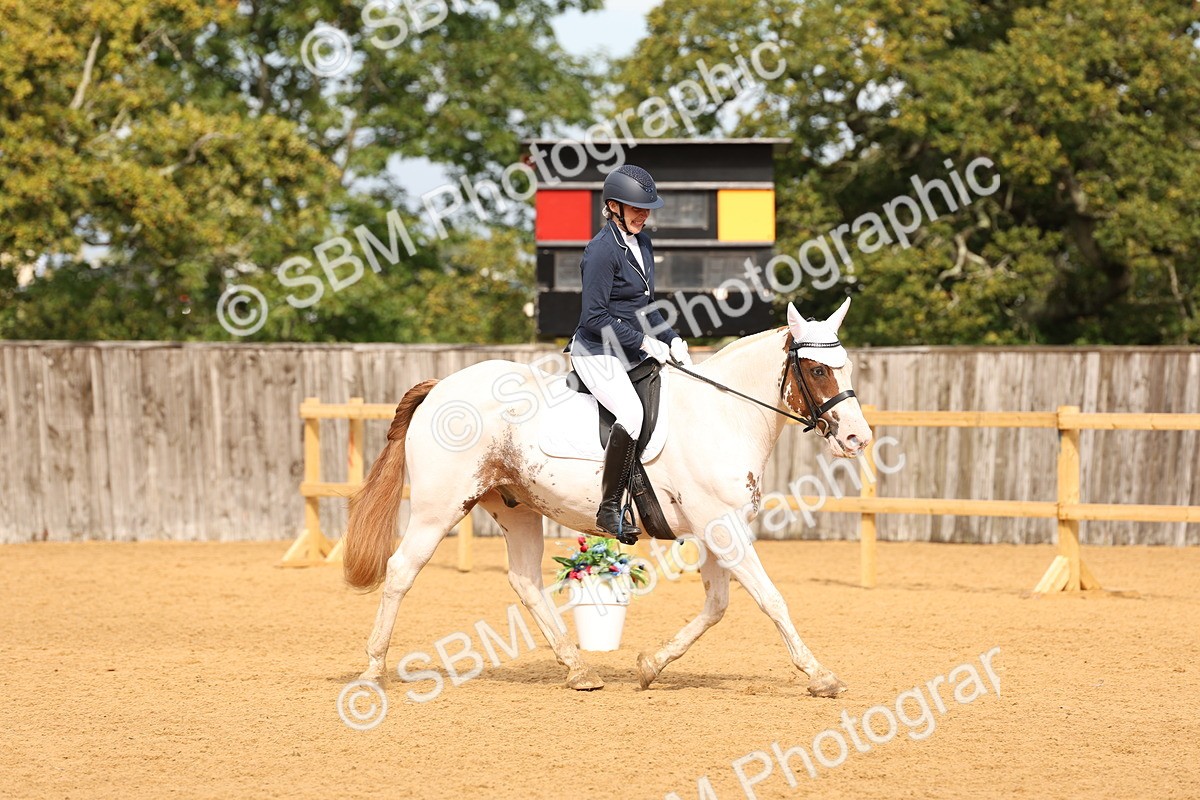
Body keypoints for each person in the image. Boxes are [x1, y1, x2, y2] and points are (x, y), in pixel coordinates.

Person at [567, 164, 692, 543]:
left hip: (629, 350)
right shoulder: (601, 251)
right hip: (595, 351)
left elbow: (646, 307)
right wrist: (643, 342)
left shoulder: (644, 244)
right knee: (632, 415)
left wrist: (671, 338)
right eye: (636, 208)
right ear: (613, 207)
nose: (644, 215)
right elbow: (593, 318)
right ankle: (608, 509)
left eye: (646, 208)